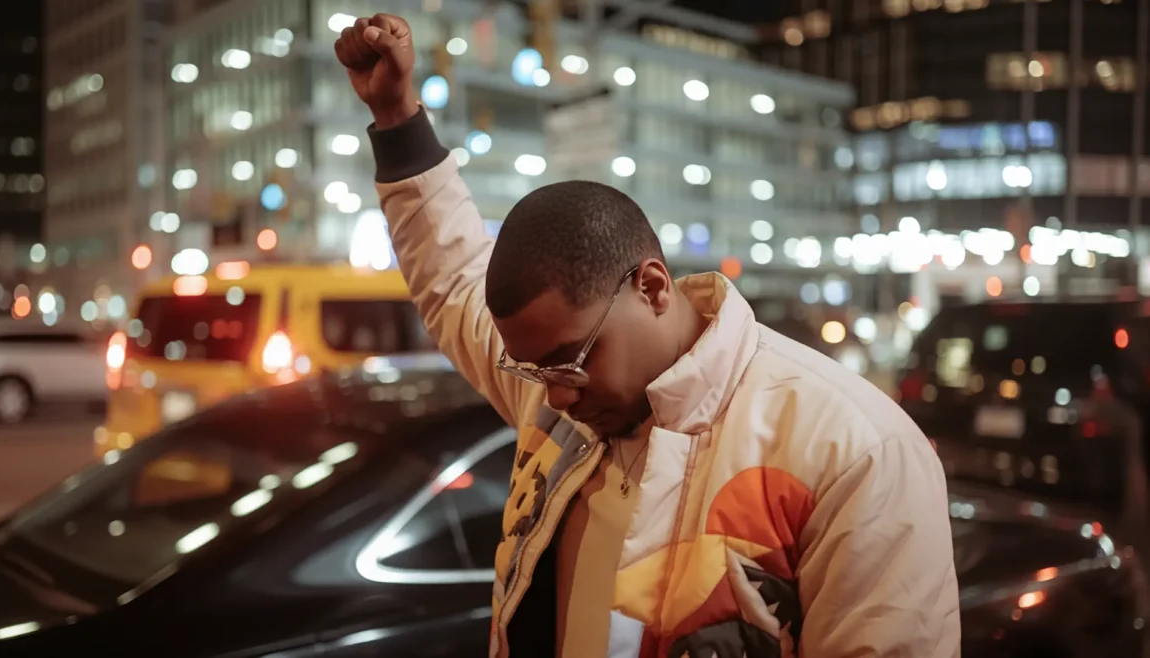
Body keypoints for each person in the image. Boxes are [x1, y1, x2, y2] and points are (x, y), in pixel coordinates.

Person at [335, 14, 960, 658]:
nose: (555, 398)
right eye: (534, 372)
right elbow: (452, 273)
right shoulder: (562, 389)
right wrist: (396, 118)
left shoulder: (855, 451)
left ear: (654, 287)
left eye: (570, 362)